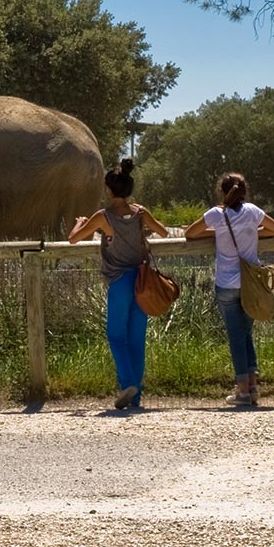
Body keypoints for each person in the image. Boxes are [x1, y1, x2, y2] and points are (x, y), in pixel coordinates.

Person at [66, 158, 171, 410]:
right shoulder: (140, 213)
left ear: (108, 189)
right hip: (142, 281)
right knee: (136, 339)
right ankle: (135, 396)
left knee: (115, 336)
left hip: (120, 280)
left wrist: (80, 223)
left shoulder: (104, 217)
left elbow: (73, 240)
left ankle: (127, 384)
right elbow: (164, 232)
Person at [186, 172, 274, 407]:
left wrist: (216, 232)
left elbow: (190, 233)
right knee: (246, 334)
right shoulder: (253, 212)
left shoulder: (216, 215)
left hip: (227, 283)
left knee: (235, 337)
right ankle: (252, 385)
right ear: (244, 191)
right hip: (251, 285)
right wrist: (251, 232)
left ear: (222, 191)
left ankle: (242, 390)